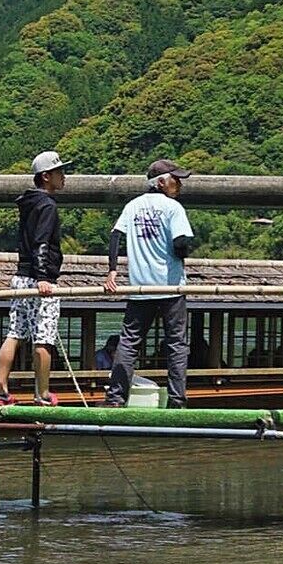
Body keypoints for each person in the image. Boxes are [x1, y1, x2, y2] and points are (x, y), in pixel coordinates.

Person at [107, 158, 198, 405]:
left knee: (129, 343)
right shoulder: (173, 208)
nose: (179, 185)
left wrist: (112, 270)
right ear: (161, 182)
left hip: (140, 287)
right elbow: (181, 243)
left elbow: (115, 236)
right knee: (177, 345)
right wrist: (183, 254)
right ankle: (177, 400)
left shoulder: (132, 206)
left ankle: (115, 398)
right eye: (175, 180)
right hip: (171, 287)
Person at [0, 151, 72, 406]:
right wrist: (43, 277)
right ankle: (42, 393)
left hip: (21, 276)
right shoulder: (48, 204)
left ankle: (1, 389)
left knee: (14, 332)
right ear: (46, 176)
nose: (64, 176)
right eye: (59, 172)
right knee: (44, 337)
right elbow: (41, 242)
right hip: (41, 279)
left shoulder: (28, 202)